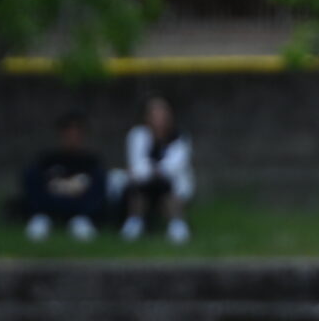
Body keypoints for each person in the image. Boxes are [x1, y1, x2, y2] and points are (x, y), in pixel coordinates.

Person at [18, 111, 108, 242]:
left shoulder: (91, 162)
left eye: (76, 133)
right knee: (37, 229)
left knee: (83, 231)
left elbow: (97, 192)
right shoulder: (47, 160)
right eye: (68, 133)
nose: (72, 137)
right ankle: (42, 221)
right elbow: (34, 187)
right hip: (47, 208)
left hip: (81, 211)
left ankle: (80, 222)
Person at [120, 94, 195, 245]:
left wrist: (152, 169)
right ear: (147, 117)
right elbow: (136, 166)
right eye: (155, 115)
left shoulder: (180, 138)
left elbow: (173, 168)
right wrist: (153, 170)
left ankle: (177, 224)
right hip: (143, 184)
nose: (159, 119)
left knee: (166, 188)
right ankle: (135, 222)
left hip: (170, 186)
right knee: (139, 188)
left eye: (163, 114)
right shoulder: (138, 135)